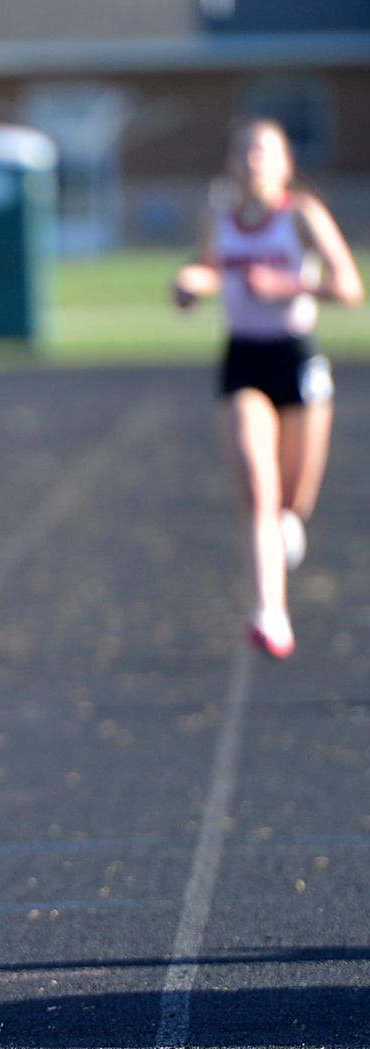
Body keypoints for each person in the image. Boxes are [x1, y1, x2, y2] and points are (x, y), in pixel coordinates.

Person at [173, 117, 364, 658]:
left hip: (295, 356)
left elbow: (350, 287)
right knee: (259, 488)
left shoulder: (301, 215)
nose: (252, 160)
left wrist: (291, 284)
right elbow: (210, 269)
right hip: (244, 359)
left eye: (263, 151)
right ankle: (270, 613)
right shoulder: (221, 219)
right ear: (234, 163)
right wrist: (191, 283)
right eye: (244, 152)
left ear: (285, 164)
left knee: (293, 501)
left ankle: (288, 529)